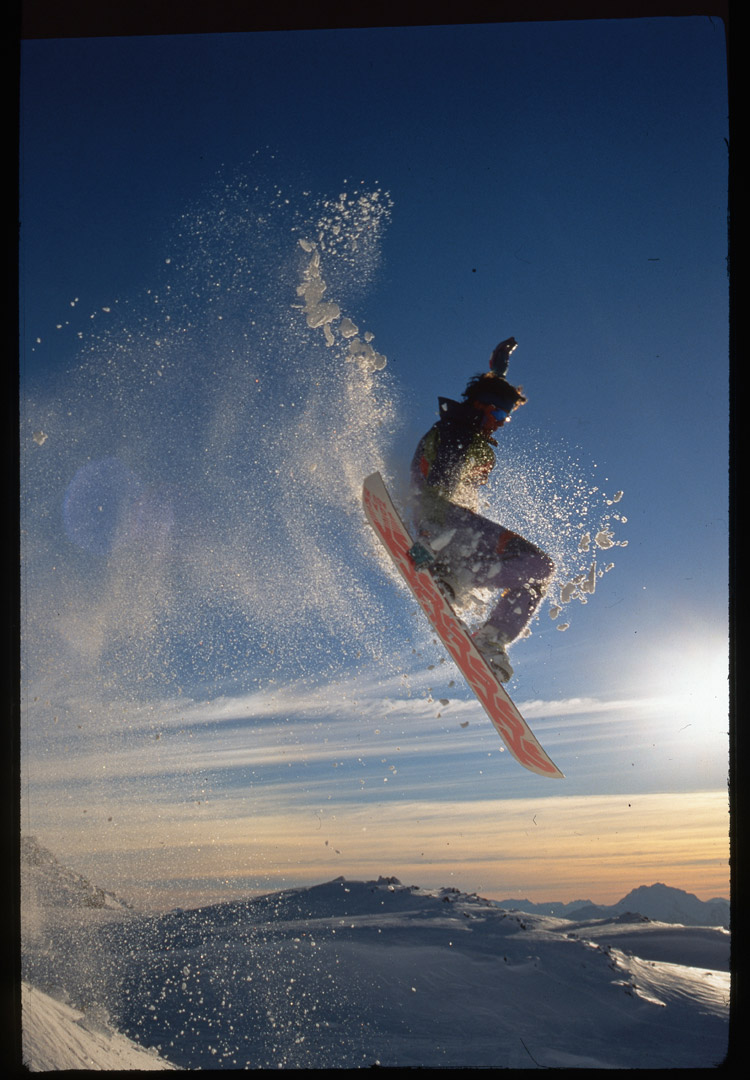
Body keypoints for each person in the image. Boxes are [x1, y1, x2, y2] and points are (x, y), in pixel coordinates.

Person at [409, 338, 554, 682]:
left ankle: (490, 638)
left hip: (452, 530)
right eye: (501, 413)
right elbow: (435, 487)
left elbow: (485, 394)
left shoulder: (471, 432)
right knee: (540, 566)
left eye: (508, 416)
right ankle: (451, 574)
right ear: (482, 405)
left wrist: (499, 368)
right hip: (441, 523)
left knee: (537, 577)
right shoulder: (459, 431)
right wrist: (429, 538)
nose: (503, 422)